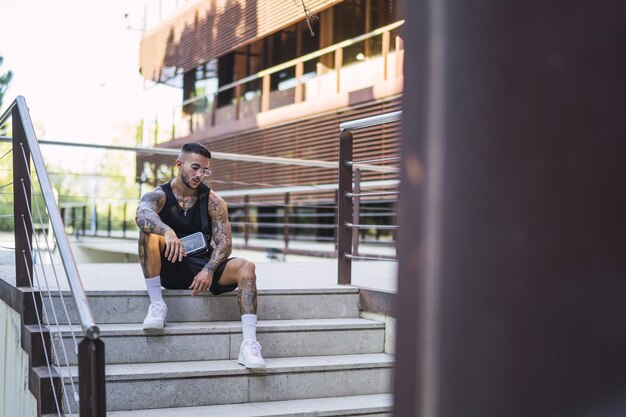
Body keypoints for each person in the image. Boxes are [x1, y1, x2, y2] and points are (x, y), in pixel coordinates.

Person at [135, 142, 265, 370]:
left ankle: (249, 344)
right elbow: (142, 213)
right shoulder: (159, 196)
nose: (199, 175)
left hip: (202, 268)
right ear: (178, 164)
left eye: (204, 170)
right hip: (168, 266)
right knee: (147, 233)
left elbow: (225, 242)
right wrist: (167, 231)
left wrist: (209, 269)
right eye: (195, 167)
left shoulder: (213, 201)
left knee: (247, 267)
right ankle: (157, 304)